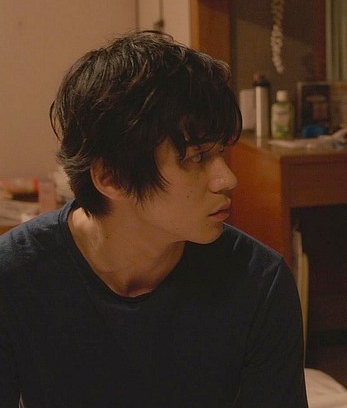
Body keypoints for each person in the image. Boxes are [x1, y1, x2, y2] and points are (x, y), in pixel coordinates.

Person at [0, 31, 308, 407]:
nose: (227, 179)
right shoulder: (14, 277)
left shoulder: (259, 282)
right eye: (196, 157)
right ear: (113, 178)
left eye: (221, 153)